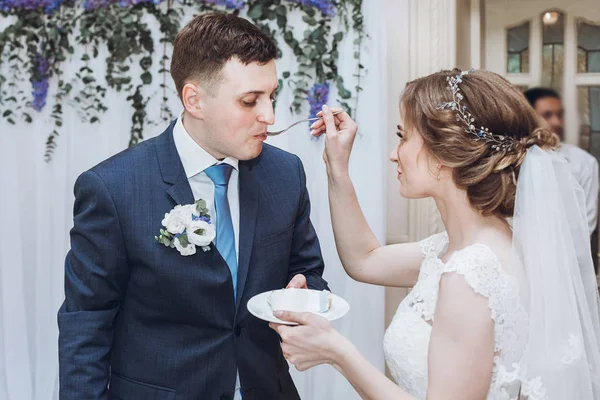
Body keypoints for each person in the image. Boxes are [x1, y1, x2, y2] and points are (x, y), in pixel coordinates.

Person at [270, 69, 600, 399]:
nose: (393, 153)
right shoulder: (465, 246)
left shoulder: (471, 275)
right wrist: (336, 166)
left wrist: (337, 352)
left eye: (403, 137)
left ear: (443, 153)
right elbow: (365, 260)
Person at [58, 12, 328, 400]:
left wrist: (304, 291)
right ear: (194, 99)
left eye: (271, 96)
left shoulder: (287, 174)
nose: (269, 116)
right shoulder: (112, 189)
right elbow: (86, 324)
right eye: (250, 101)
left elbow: (308, 271)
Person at [524, 87, 599, 235]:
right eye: (547, 115)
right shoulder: (514, 160)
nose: (557, 122)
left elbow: (586, 223)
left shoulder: (584, 163)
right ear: (530, 118)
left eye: (560, 114)